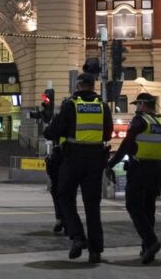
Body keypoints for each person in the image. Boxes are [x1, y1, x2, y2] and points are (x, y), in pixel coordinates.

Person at [44, 74, 113, 263]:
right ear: (93, 86)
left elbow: (53, 132)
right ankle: (96, 251)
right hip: (95, 160)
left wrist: (50, 129)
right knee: (92, 206)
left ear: (80, 85)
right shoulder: (103, 106)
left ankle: (77, 237)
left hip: (73, 158)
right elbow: (108, 132)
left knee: (65, 196)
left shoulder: (71, 105)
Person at [107, 92, 161, 264]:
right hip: (156, 170)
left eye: (137, 104)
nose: (136, 108)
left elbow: (126, 145)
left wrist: (110, 164)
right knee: (149, 209)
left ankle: (151, 242)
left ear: (142, 104)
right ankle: (146, 249)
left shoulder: (140, 121)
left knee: (133, 206)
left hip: (140, 170)